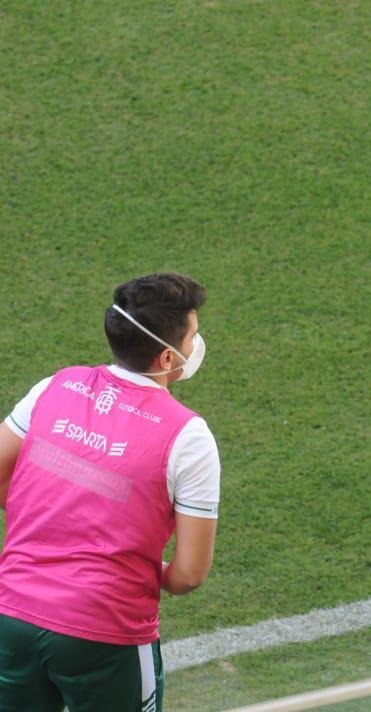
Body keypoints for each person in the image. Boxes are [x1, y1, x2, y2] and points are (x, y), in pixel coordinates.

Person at [0, 272, 221, 711]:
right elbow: (189, 574)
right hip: (106, 633)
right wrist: (126, 564)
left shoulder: (54, 387)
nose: (197, 343)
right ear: (167, 357)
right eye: (193, 336)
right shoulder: (189, 437)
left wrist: (54, 530)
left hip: (12, 618)